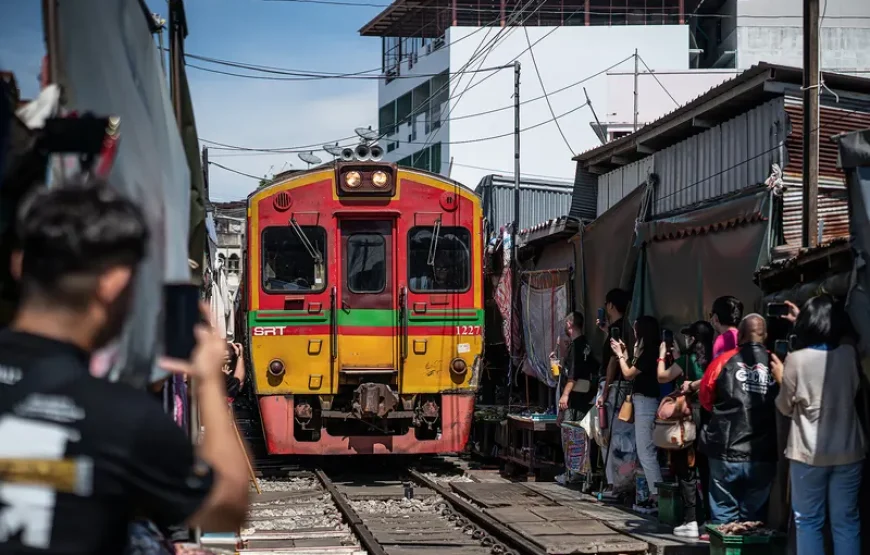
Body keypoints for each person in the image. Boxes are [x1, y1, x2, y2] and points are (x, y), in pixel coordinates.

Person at [0, 181, 250, 554]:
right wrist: (209, 382)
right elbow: (226, 505)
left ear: (19, 266)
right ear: (114, 285)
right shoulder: (121, 417)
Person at [770, 295, 866, 555]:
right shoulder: (849, 355)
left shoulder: (796, 360)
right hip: (849, 451)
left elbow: (784, 407)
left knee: (809, 521)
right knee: (846, 521)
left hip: (808, 455)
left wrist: (781, 378)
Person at [698, 314, 779, 524]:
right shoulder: (777, 363)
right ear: (766, 335)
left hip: (724, 449)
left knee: (724, 513)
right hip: (763, 452)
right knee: (754, 518)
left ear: (740, 335)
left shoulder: (723, 361)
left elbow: (706, 398)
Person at [657, 320, 715, 538]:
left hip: (689, 419)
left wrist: (662, 355)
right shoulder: (715, 359)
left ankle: (691, 519)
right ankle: (710, 520)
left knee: (686, 469)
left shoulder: (686, 360)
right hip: (710, 420)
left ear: (693, 339)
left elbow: (662, 376)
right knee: (708, 470)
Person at [611, 315, 664, 508]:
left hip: (646, 403)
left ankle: (656, 495)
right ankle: (652, 494)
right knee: (645, 451)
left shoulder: (650, 352)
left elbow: (628, 373)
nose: (634, 333)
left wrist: (619, 355)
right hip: (644, 402)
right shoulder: (649, 351)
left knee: (646, 451)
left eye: (636, 330)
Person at [596, 288, 638, 496]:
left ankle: (615, 483)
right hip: (623, 388)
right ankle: (623, 481)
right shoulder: (625, 327)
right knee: (624, 436)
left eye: (606, 304)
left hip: (612, 388)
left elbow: (614, 360)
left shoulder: (619, 328)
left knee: (608, 435)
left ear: (611, 305)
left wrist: (604, 392)